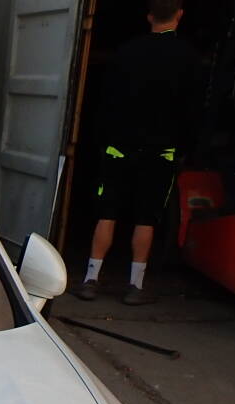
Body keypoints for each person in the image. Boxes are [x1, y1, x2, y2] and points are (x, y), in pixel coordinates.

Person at [77, 0, 201, 305]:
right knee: (147, 217)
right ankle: (135, 286)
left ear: (149, 16)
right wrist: (185, 149)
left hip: (119, 148)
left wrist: (101, 141)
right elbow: (192, 111)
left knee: (107, 212)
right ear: (180, 15)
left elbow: (105, 102)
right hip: (160, 152)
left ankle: (91, 279)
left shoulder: (126, 52)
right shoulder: (188, 57)